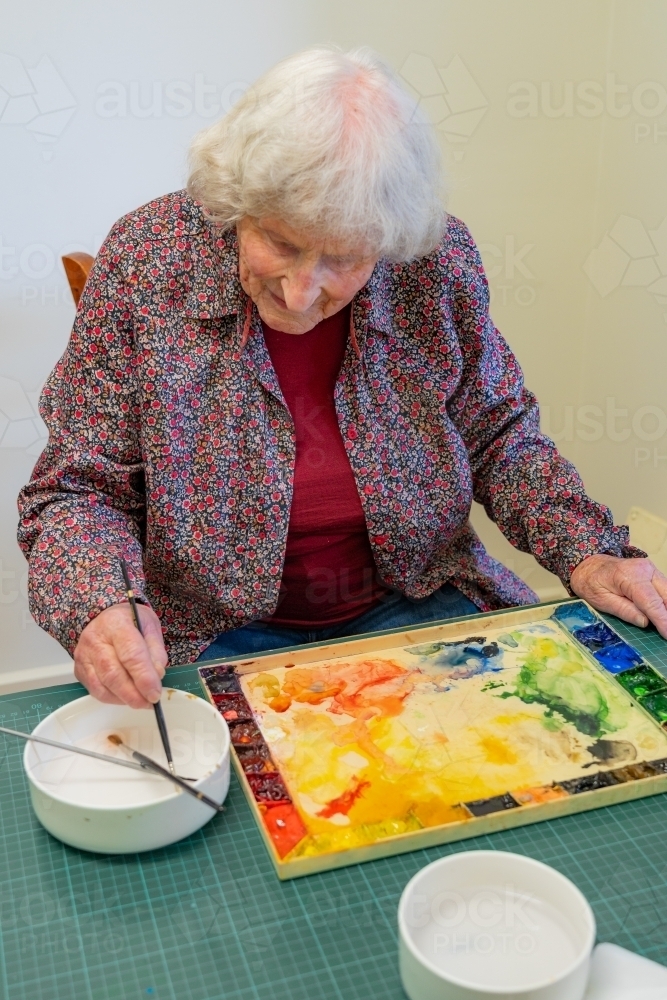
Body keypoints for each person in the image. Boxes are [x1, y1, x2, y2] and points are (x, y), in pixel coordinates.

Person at [17, 47, 667, 710]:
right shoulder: (148, 261)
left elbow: (497, 433)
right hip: (212, 634)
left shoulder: (431, 263)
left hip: (413, 603)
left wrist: (586, 549)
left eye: (343, 258)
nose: (301, 293)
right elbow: (76, 490)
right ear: (235, 204)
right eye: (280, 242)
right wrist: (102, 602)